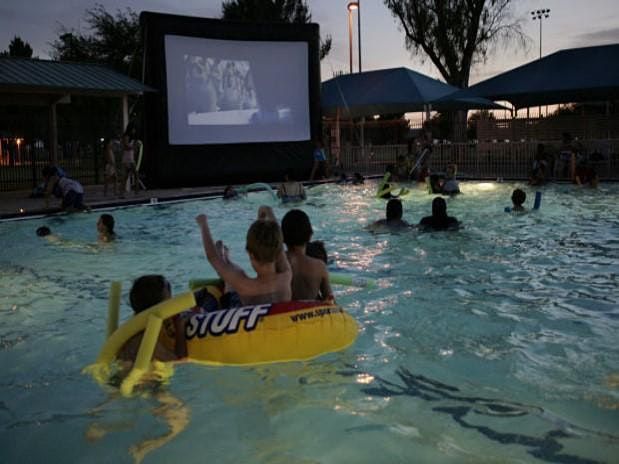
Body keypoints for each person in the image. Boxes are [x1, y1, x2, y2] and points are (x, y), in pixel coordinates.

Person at [196, 211, 292, 306]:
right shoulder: (286, 276)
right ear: (279, 253)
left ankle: (226, 263)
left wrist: (203, 224)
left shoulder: (244, 285)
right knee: (233, 275)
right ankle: (226, 263)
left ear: (251, 255)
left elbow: (213, 258)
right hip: (276, 318)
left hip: (242, 310)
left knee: (232, 282)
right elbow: (279, 246)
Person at [117, 275, 187, 362]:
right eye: (169, 299)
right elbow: (179, 361)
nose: (172, 302)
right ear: (157, 307)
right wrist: (180, 328)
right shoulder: (144, 339)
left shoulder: (133, 328)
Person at [281, 209, 333, 301]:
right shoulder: (319, 266)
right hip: (311, 313)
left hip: (284, 313)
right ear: (310, 235)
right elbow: (329, 300)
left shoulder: (277, 262)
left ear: (282, 237)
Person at [121, 130, 137, 197]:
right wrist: (134, 146)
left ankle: (136, 191)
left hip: (131, 157)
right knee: (126, 176)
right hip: (128, 158)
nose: (134, 131)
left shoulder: (132, 138)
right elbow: (126, 146)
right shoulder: (126, 137)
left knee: (135, 174)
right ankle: (122, 192)